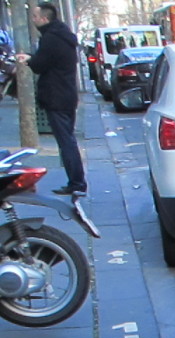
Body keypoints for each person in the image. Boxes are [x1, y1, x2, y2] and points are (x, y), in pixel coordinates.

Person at [16, 3, 85, 195]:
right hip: (67, 94)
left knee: (66, 141)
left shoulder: (50, 39)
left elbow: (40, 64)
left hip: (56, 96)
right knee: (67, 139)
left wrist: (28, 59)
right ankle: (76, 181)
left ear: (45, 19)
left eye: (36, 17)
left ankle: (77, 183)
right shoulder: (63, 36)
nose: (33, 19)